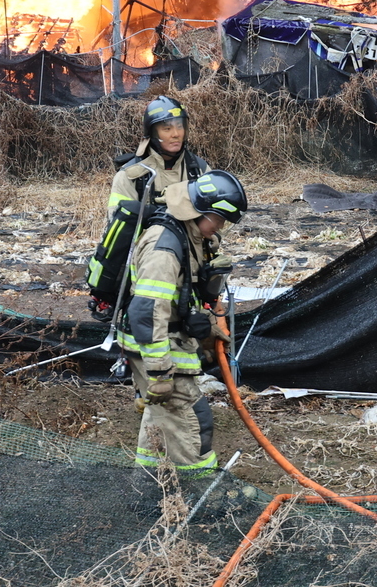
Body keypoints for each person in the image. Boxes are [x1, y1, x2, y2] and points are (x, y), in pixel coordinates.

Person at [122, 169, 246, 501]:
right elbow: (147, 311)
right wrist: (160, 370)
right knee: (193, 419)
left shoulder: (188, 237)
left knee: (162, 419)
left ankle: (148, 495)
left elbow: (178, 298)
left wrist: (205, 323)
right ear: (199, 210)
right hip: (156, 348)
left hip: (165, 342)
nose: (219, 227)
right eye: (218, 219)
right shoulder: (165, 246)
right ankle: (200, 497)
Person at [108, 95, 209, 214]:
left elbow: (212, 224)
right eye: (167, 129)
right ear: (153, 134)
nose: (176, 134)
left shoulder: (199, 170)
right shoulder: (130, 176)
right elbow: (118, 224)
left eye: (180, 126)